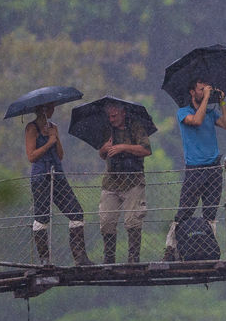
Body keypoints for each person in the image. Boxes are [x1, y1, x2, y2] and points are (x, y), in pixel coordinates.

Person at [164, 80, 226, 260]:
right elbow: (196, 120)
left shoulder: (210, 112)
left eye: (206, 89)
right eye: (201, 89)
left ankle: (208, 246)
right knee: (185, 210)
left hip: (213, 166)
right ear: (192, 92)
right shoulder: (183, 112)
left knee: (210, 210)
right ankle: (171, 249)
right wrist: (206, 100)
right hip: (195, 167)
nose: (205, 92)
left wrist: (222, 103)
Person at [25, 102, 91, 266]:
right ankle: (44, 259)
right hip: (41, 177)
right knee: (42, 216)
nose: (53, 110)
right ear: (42, 109)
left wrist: (55, 138)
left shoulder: (53, 127)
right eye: (50, 107)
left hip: (58, 174)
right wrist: (48, 142)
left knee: (76, 212)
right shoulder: (31, 128)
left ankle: (80, 257)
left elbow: (60, 155)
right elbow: (31, 156)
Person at [97, 101, 153, 263]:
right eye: (109, 116)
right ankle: (109, 258)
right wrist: (104, 149)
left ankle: (133, 259)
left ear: (123, 113)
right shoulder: (107, 130)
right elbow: (102, 154)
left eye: (114, 116)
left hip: (133, 180)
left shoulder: (136, 127)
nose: (111, 119)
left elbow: (146, 150)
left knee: (133, 221)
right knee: (106, 220)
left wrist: (123, 147)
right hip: (111, 182)